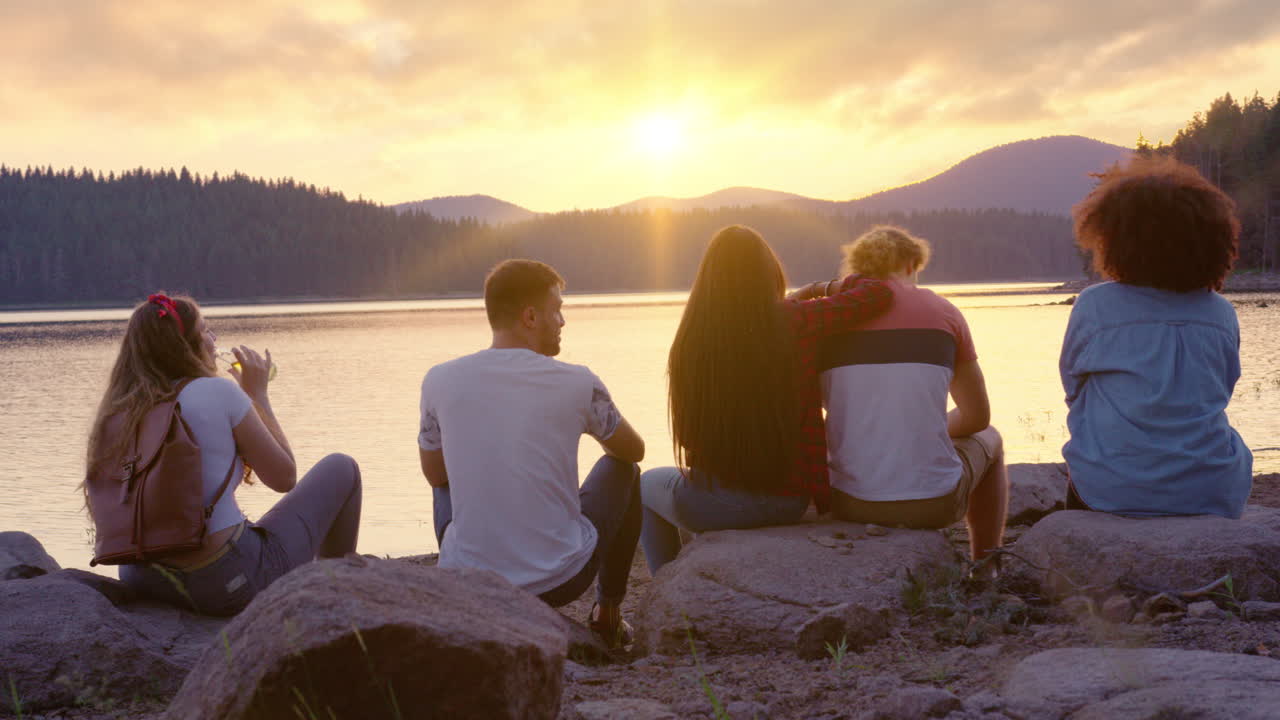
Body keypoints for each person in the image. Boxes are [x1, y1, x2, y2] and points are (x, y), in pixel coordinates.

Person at [86, 293, 362, 616]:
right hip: (224, 581)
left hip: (143, 577)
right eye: (205, 331)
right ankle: (337, 603)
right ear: (185, 345)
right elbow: (284, 477)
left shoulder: (117, 409)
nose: (214, 339)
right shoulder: (218, 391)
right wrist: (258, 396)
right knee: (343, 468)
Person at [640, 225, 892, 574]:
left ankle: (662, 583)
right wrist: (820, 289)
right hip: (788, 503)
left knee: (644, 484)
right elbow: (877, 294)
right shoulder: (793, 321)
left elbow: (686, 438)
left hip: (712, 506)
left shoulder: (690, 343)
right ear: (768, 274)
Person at [419, 259, 646, 646]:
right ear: (530, 316)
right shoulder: (578, 382)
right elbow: (633, 450)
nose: (562, 321)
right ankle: (607, 612)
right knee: (623, 470)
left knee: (444, 483)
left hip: (471, 583)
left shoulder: (439, 379)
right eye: (556, 310)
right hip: (559, 581)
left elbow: (436, 477)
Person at [1060, 157, 1252, 517]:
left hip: (1111, 493)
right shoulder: (1220, 312)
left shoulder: (1095, 305)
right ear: (1213, 240)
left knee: (1088, 457)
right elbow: (1221, 390)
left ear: (1115, 239)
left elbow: (1073, 390)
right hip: (1213, 492)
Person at [822, 226, 1008, 563]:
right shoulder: (943, 313)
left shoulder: (828, 316)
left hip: (845, 502)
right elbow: (977, 416)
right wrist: (925, 430)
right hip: (931, 505)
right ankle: (985, 565)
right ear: (910, 265)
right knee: (990, 438)